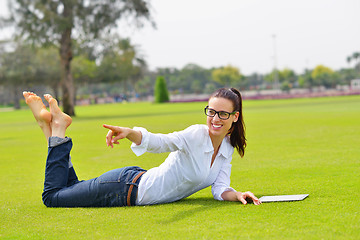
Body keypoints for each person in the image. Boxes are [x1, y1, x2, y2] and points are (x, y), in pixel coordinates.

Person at [23, 88, 261, 207]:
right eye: (211, 112)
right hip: (125, 188)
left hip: (132, 182)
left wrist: (238, 195)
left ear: (235, 116)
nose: (215, 119)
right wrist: (131, 133)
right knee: (52, 197)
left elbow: (220, 188)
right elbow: (161, 142)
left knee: (69, 188)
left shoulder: (228, 147)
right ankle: (57, 128)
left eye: (222, 113)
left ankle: (49, 128)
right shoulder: (196, 135)